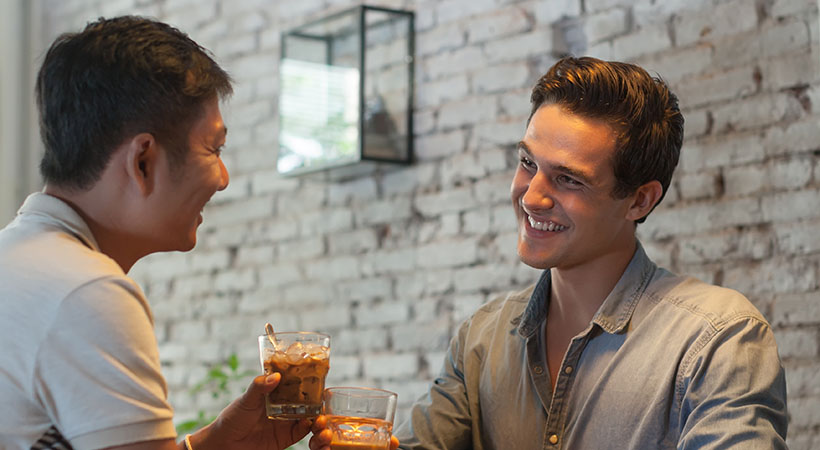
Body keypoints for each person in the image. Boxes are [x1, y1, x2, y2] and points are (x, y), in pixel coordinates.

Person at [393, 57, 789, 449]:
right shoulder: (481, 338)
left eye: (568, 180)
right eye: (528, 163)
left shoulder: (718, 339)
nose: (531, 196)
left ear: (639, 200)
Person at [0, 16, 335, 450]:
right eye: (214, 149)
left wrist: (217, 443)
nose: (224, 178)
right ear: (143, 161)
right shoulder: (87, 294)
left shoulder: (19, 262)